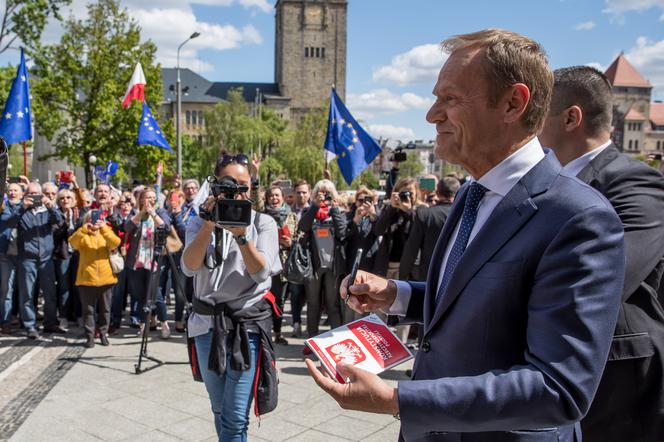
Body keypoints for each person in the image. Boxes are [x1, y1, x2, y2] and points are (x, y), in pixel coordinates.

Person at [306, 29, 626, 442]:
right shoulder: (473, 194)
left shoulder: (579, 218)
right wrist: (399, 294)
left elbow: (558, 387)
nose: (431, 114)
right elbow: (479, 302)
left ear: (513, 103)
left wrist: (398, 398)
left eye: (450, 99)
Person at [540, 65, 664, 442]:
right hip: (565, 376)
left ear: (570, 118)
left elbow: (607, 280)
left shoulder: (634, 181)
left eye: (538, 113)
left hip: (619, 384)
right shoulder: (547, 184)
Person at [181, 153, 281, 441]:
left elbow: (261, 273)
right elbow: (188, 267)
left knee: (236, 418)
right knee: (219, 409)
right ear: (214, 186)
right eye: (229, 184)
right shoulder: (198, 223)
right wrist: (209, 225)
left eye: (243, 185)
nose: (236, 192)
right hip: (206, 326)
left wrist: (240, 235)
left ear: (251, 187)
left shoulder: (262, 223)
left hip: (245, 327)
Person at [14, 182, 65, 338]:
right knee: (27, 294)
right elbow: (9, 221)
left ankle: (50, 323)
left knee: (50, 293)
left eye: (37, 194)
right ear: (25, 195)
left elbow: (60, 221)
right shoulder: (21, 211)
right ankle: (30, 325)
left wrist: (50, 205)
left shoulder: (46, 211)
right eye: (31, 194)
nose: (34, 197)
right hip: (27, 258)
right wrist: (23, 206)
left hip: (46, 259)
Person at [298, 179, 347, 337]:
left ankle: (336, 340)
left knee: (333, 305)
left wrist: (334, 209)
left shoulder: (338, 212)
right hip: (314, 265)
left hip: (333, 265)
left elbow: (342, 233)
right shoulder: (309, 211)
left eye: (328, 193)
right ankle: (312, 340)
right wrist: (314, 206)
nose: (325, 196)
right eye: (321, 193)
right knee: (313, 304)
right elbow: (303, 227)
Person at [68, 210, 121, 347]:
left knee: (105, 309)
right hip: (87, 278)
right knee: (88, 310)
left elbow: (116, 243)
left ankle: (103, 333)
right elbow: (73, 244)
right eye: (91, 218)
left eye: (97, 218)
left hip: (106, 277)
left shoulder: (106, 230)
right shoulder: (82, 233)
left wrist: (104, 229)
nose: (94, 220)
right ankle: (90, 336)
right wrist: (83, 230)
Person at [124, 188, 171, 334]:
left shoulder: (161, 212)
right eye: (146, 197)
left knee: (155, 293)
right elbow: (127, 228)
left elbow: (166, 228)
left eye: (152, 197)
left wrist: (153, 213)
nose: (150, 200)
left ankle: (164, 323)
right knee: (139, 293)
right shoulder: (135, 213)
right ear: (141, 199)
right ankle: (144, 323)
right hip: (136, 259)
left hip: (154, 259)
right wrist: (141, 213)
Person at [400, 176, 460, 281]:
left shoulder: (425, 214)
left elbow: (411, 250)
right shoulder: (466, 215)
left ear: (437, 191)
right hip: (457, 277)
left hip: (429, 277)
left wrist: (402, 278)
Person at [263, 185, 297, 345]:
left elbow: (298, 237)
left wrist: (291, 243)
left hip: (283, 264)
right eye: (271, 196)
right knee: (263, 298)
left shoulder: (291, 215)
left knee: (279, 300)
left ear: (283, 197)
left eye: (277, 195)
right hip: (265, 262)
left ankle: (277, 333)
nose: (274, 199)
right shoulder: (262, 215)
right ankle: (264, 331)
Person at [373, 177, 425, 279]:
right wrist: (392, 208)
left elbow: (420, 233)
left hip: (409, 266)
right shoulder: (390, 209)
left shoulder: (421, 210)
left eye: (410, 194)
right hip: (388, 263)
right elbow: (378, 230)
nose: (407, 197)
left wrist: (409, 211)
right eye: (403, 194)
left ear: (416, 194)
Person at [344, 186, 381, 323]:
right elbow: (345, 235)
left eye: (367, 200)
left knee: (366, 302)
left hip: (369, 264)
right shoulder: (350, 215)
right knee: (351, 300)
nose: (363, 203)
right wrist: (356, 219)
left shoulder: (375, 216)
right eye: (360, 200)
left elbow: (379, 232)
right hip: (352, 264)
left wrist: (373, 214)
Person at [170, 179, 199, 332]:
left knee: (195, 290)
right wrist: (175, 214)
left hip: (198, 254)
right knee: (180, 290)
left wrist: (177, 217)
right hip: (180, 254)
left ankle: (192, 318)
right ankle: (178, 320)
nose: (191, 191)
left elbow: (188, 230)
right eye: (188, 188)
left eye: (194, 188)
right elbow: (183, 231)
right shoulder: (180, 208)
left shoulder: (201, 208)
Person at [287, 180, 311, 337]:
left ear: (309, 194)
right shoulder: (289, 212)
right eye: (298, 192)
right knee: (295, 293)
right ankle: (296, 323)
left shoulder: (314, 210)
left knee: (312, 295)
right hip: (293, 258)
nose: (301, 195)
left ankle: (311, 326)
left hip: (310, 258)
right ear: (294, 194)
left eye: (304, 192)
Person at [53, 188, 79, 330]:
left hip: (77, 254)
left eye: (69, 197)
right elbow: (55, 233)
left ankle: (77, 315)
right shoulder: (56, 215)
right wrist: (66, 222)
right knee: (64, 287)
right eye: (62, 198)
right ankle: (63, 317)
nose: (66, 200)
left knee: (77, 286)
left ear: (73, 200)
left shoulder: (79, 214)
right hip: (62, 254)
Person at [0, 182, 24, 334]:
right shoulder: (3, 206)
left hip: (25, 254)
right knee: (6, 290)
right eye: (10, 190)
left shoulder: (30, 206)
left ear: (22, 194)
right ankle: (5, 321)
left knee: (26, 290)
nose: (12, 193)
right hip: (6, 254)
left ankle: (26, 321)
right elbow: (6, 220)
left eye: (16, 190)